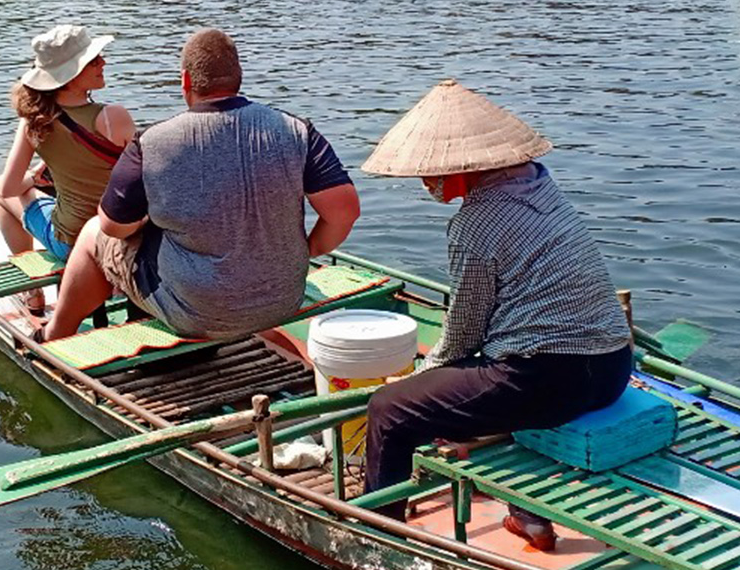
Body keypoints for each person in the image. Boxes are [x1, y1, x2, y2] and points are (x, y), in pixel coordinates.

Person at [357, 80, 633, 528]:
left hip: (545, 380)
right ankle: (524, 507)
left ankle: (377, 526)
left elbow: (462, 336)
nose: (429, 181)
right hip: (614, 367)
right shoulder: (542, 184)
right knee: (463, 391)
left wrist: (418, 378)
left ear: (465, 167)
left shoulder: (475, 223)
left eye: (436, 171)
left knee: (390, 410)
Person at [41, 29, 361, 342]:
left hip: (195, 314)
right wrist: (309, 250)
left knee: (92, 232)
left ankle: (56, 333)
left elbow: (114, 227)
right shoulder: (297, 131)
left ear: (185, 81)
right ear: (238, 77)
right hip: (285, 300)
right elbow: (344, 211)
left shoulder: (152, 143)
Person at [0, 26, 137, 314]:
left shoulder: (34, 123)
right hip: (120, 239)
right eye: (94, 60)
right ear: (71, 75)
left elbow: (8, 189)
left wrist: (32, 179)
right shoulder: (114, 118)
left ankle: (32, 292)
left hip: (70, 244)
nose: (103, 63)